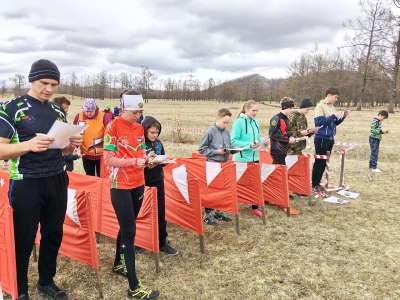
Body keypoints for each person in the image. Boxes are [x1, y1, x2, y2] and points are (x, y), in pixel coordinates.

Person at [0, 59, 82, 300]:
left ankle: (46, 281)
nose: (48, 89)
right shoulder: (10, 108)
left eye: (54, 84)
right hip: (27, 182)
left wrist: (71, 144)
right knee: (23, 239)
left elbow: (62, 149)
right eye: (43, 83)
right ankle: (20, 288)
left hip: (57, 179)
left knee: (53, 234)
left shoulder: (57, 110)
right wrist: (29, 145)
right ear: (31, 79)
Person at [103, 90, 159, 299]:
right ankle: (133, 287)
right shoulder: (113, 126)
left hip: (138, 182)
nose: (139, 115)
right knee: (130, 231)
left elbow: (141, 152)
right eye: (136, 111)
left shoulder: (138, 127)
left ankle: (118, 264)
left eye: (141, 110)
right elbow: (108, 159)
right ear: (125, 108)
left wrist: (149, 157)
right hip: (120, 185)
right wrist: (135, 161)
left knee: (127, 227)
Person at [142, 116, 178, 255]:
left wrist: (163, 160)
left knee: (160, 210)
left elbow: (162, 156)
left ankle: (162, 241)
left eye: (157, 132)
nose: (155, 135)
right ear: (145, 130)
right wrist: (147, 163)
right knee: (142, 212)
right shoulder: (139, 144)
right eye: (152, 132)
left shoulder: (158, 143)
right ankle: (139, 241)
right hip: (143, 181)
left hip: (157, 179)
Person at [198, 108, 234, 225]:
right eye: (224, 122)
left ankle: (219, 212)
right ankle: (207, 215)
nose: (226, 125)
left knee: (222, 189)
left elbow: (230, 146)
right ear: (218, 119)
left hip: (224, 165)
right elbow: (202, 150)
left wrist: (235, 149)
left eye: (228, 122)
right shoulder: (210, 131)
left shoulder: (227, 132)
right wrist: (216, 152)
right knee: (211, 190)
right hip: (212, 164)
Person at [312, 87, 348, 196]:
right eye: (335, 97)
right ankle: (314, 184)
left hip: (330, 138)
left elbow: (333, 123)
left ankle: (318, 183)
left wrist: (342, 117)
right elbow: (319, 122)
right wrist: (333, 116)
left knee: (324, 162)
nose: (336, 99)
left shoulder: (332, 107)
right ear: (329, 95)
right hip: (321, 138)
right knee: (319, 162)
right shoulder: (320, 106)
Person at [231, 100, 264, 217]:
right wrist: (249, 144)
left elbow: (258, 137)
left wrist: (260, 142)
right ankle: (231, 205)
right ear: (246, 110)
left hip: (255, 157)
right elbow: (233, 141)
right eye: (253, 110)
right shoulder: (239, 123)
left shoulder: (256, 122)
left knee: (255, 182)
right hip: (241, 158)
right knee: (236, 183)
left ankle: (255, 207)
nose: (255, 113)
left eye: (257, 110)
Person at [73, 98, 111, 176]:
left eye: (91, 111)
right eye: (86, 111)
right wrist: (75, 146)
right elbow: (74, 133)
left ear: (95, 109)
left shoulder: (104, 116)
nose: (89, 113)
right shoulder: (78, 116)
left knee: (101, 177)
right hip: (86, 154)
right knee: (89, 175)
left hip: (101, 155)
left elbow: (110, 134)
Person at [53, 96, 80, 171]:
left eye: (67, 108)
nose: (67, 110)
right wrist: (75, 156)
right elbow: (58, 151)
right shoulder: (54, 124)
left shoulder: (64, 121)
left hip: (67, 164)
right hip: (60, 166)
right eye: (64, 108)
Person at [269, 97, 296, 165]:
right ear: (284, 107)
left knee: (279, 172)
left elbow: (287, 132)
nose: (291, 110)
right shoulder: (276, 118)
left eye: (292, 108)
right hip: (277, 150)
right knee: (278, 172)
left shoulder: (287, 119)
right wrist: (287, 140)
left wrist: (291, 136)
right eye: (290, 108)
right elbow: (272, 135)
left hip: (284, 150)